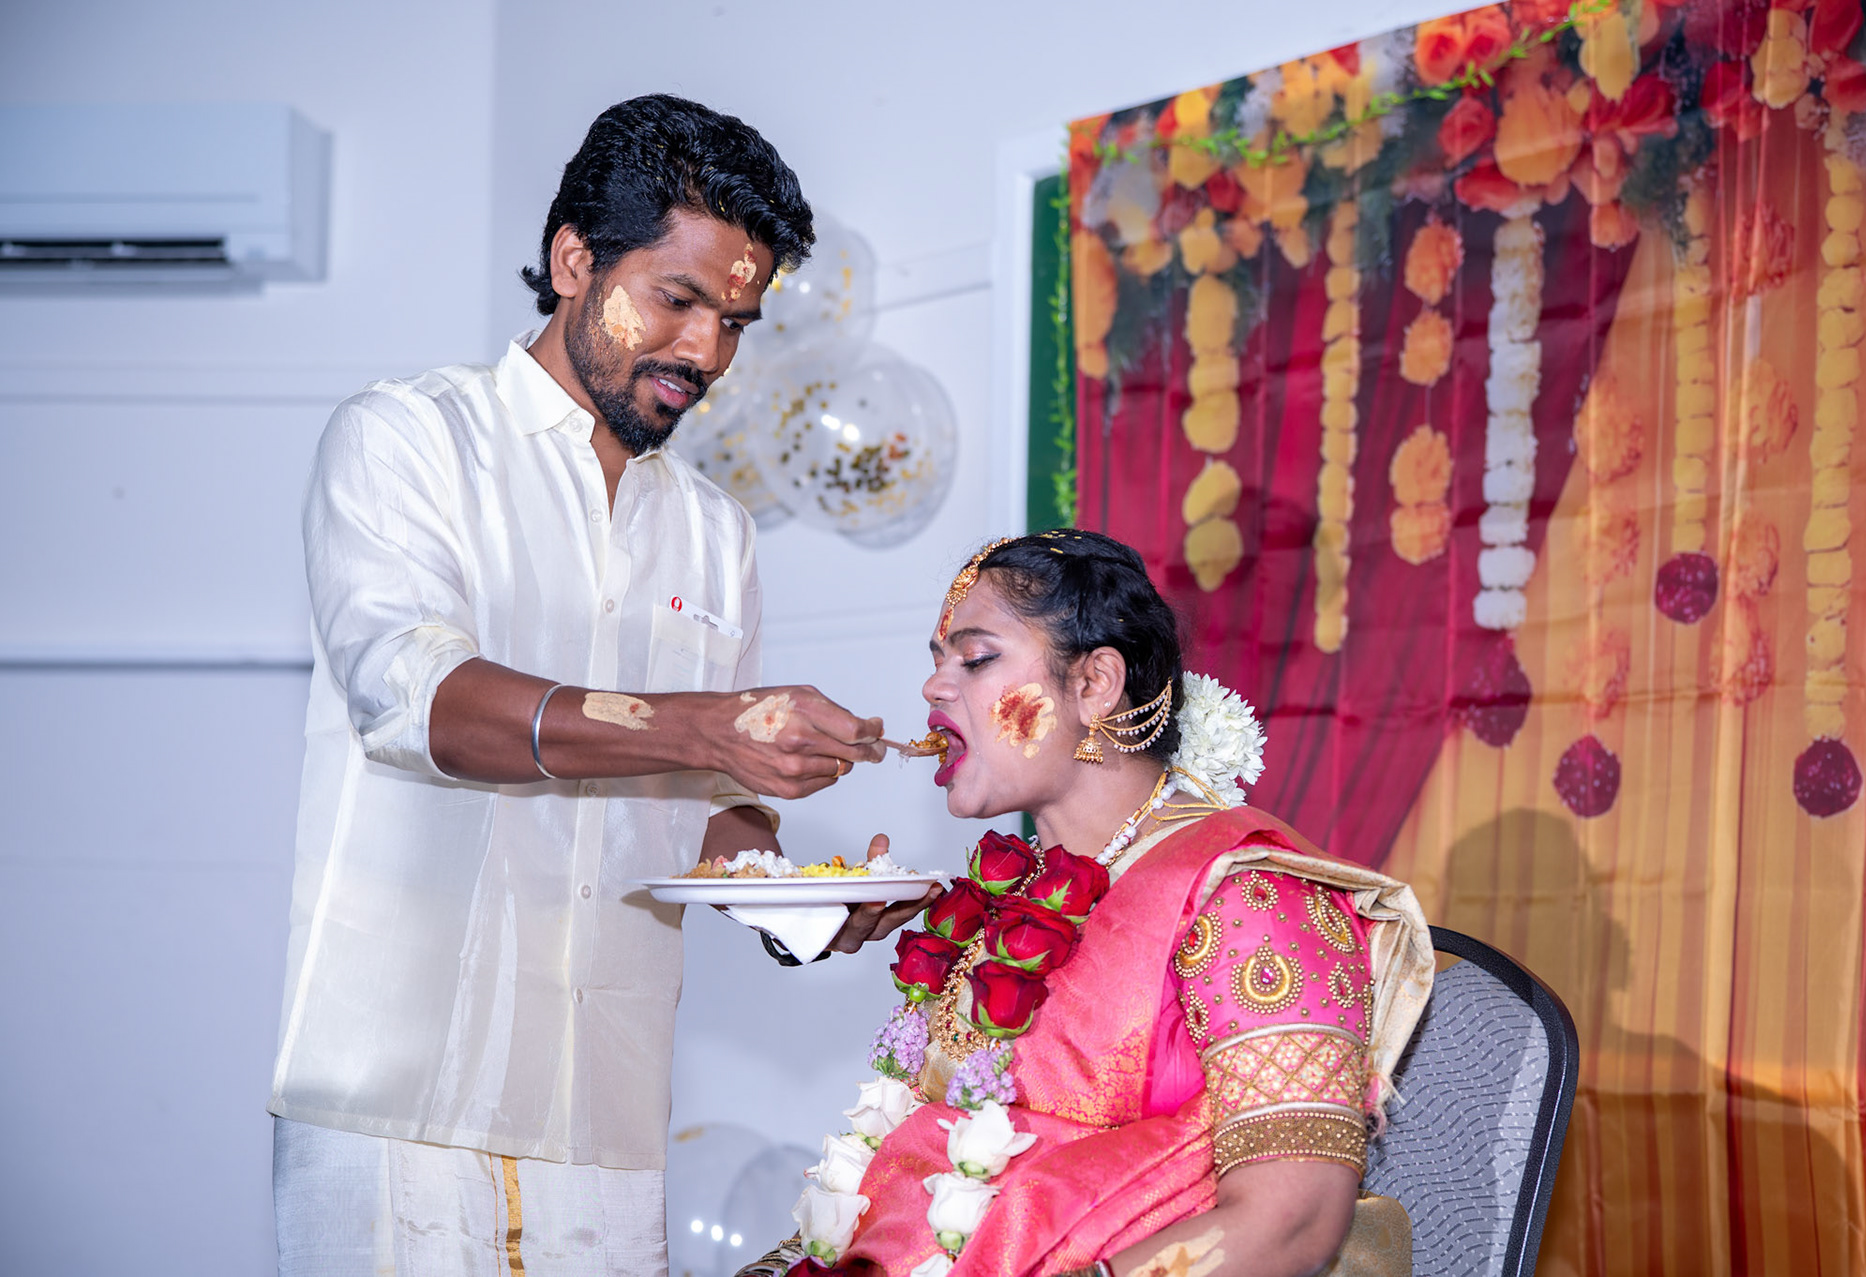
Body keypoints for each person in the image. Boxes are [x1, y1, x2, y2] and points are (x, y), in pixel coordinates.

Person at [269, 94, 925, 1277]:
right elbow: (418, 700)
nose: (706, 353)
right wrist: (708, 725)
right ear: (574, 259)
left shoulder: (716, 534)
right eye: (677, 300)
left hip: (606, 1114)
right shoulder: (409, 440)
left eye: (736, 322)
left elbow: (704, 809)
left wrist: (801, 903)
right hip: (402, 1099)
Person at [766, 531, 1434, 1277]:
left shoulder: (1252, 895)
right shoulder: (1010, 897)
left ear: (1094, 685)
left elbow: (1292, 1219)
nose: (933, 687)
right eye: (936, 659)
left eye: (975, 658)